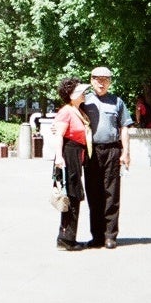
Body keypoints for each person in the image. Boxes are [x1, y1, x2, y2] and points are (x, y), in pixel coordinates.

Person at [82, 66, 133, 250]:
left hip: (112, 151)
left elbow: (125, 127)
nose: (101, 82)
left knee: (111, 193)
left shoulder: (117, 102)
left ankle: (110, 236)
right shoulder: (84, 101)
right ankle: (96, 236)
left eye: (105, 79)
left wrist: (126, 152)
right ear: (91, 80)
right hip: (91, 152)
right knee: (93, 194)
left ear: (110, 82)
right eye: (97, 78)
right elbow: (69, 118)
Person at [52, 78, 92, 251]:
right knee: (71, 195)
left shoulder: (77, 110)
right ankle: (66, 238)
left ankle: (68, 237)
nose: (84, 93)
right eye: (80, 91)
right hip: (69, 154)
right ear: (71, 95)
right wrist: (59, 157)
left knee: (74, 194)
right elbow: (59, 135)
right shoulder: (67, 111)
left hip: (76, 153)